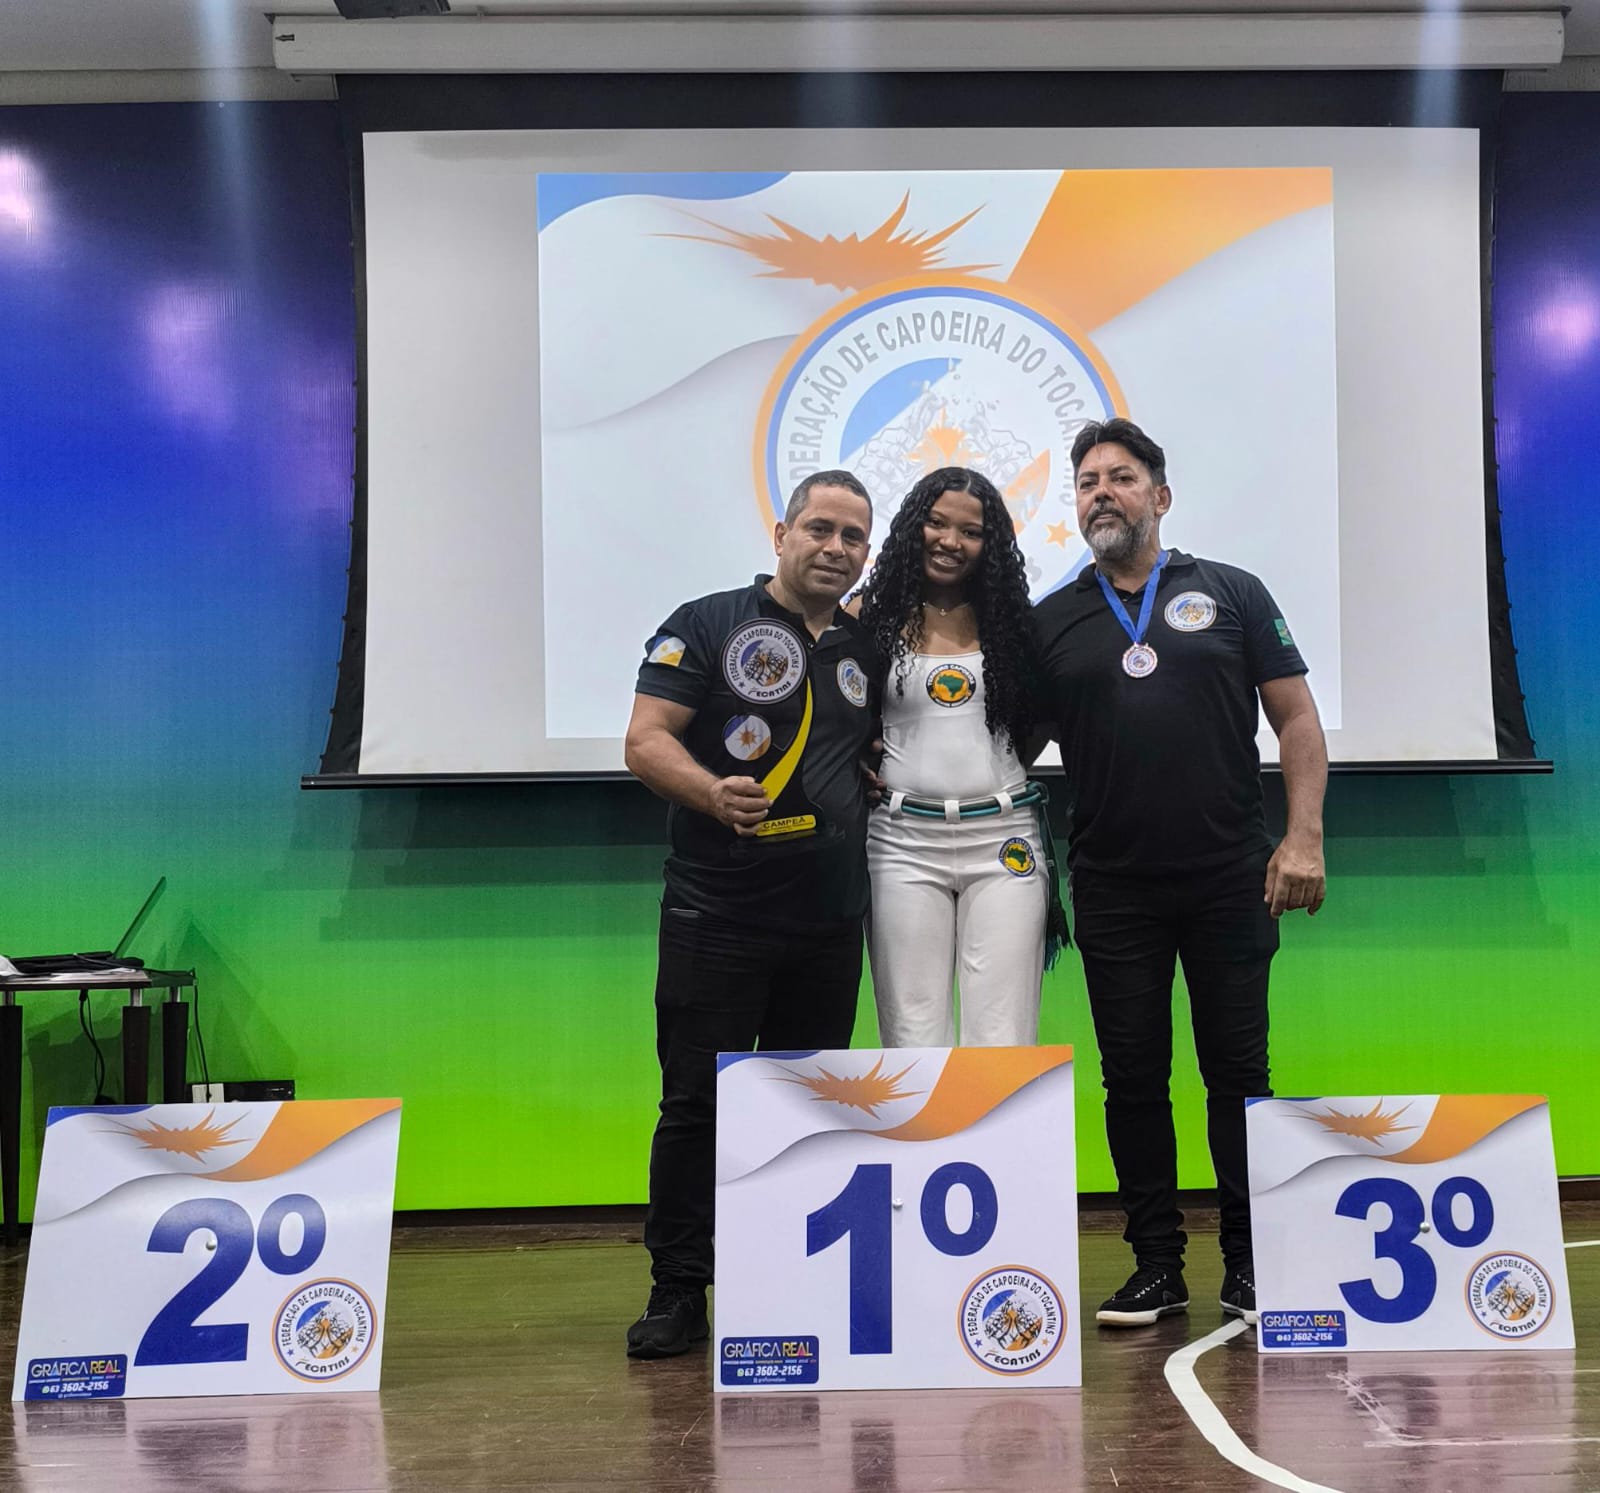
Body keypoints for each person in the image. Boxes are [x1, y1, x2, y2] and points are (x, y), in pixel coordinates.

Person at [1032, 418, 1327, 1330]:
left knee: (1239, 1073)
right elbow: (1002, 747)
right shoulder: (1052, 620)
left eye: (1120, 477)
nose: (1102, 492)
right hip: (1114, 886)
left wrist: (1304, 837)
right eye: (1087, 481)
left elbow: (1297, 720)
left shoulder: (1232, 592)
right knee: (1132, 1080)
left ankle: (1250, 1264)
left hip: (1230, 876)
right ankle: (1156, 1266)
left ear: (1159, 496)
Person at [622, 469, 881, 1360]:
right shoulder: (705, 623)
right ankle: (677, 1288)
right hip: (716, 917)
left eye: (852, 536)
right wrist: (709, 791)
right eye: (820, 528)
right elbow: (645, 740)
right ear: (782, 533)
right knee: (696, 1106)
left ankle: (783, 1279)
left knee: (805, 1108)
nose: (835, 547)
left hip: (829, 924)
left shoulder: (867, 646)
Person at [854, 466, 1065, 1048]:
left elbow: (1036, 724)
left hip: (1004, 839)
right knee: (912, 1034)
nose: (951, 541)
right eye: (936, 523)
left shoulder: (1015, 625)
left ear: (990, 545)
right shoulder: (866, 617)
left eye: (971, 532)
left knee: (1003, 1037)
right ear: (912, 527)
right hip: (899, 843)